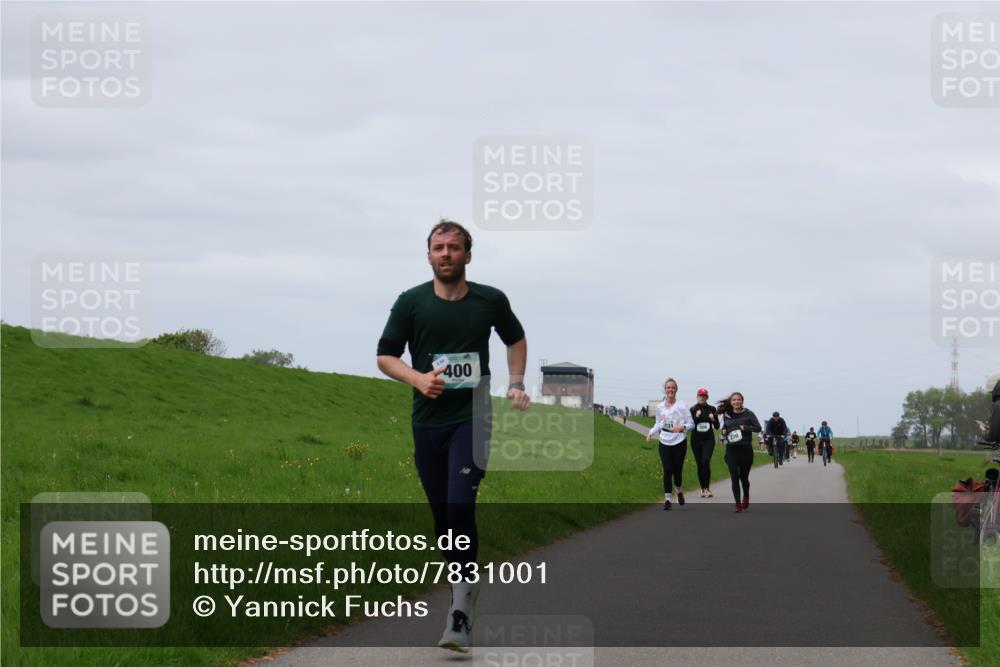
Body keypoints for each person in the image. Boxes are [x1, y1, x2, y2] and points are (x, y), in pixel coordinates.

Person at [376, 219, 530, 653]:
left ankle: (459, 610)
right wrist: (418, 380)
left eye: (454, 247)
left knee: (461, 505)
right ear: (428, 255)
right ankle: (463, 586)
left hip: (473, 417)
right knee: (444, 519)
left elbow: (515, 339)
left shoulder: (490, 300)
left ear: (468, 254)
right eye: (439, 247)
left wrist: (515, 382)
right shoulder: (411, 303)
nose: (446, 254)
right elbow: (385, 355)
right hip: (427, 421)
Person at [646, 378, 694, 510]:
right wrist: (651, 432)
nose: (670, 390)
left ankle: (678, 490)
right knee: (667, 470)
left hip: (679, 442)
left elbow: (691, 424)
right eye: (668, 388)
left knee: (677, 471)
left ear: (676, 389)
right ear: (665, 390)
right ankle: (667, 499)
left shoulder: (683, 405)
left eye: (673, 387)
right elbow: (658, 423)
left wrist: (682, 427)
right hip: (664, 442)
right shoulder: (660, 407)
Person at [718, 392, 762, 512]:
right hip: (731, 450)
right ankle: (737, 504)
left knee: (743, 477)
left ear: (742, 401)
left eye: (738, 400)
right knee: (734, 477)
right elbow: (724, 428)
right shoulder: (727, 415)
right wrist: (723, 431)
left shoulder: (749, 413)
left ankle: (746, 496)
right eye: (734, 400)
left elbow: (758, 428)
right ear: (731, 402)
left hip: (745, 449)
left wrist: (746, 428)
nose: (736, 402)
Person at [690, 388, 720, 498]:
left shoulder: (712, 409)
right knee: (699, 464)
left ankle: (707, 488)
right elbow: (690, 426)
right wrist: (696, 417)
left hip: (708, 440)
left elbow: (717, 426)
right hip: (696, 440)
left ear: (707, 397)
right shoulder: (693, 409)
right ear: (697, 397)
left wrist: (713, 419)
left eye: (704, 396)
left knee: (705, 461)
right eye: (700, 396)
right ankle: (702, 489)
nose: (702, 398)